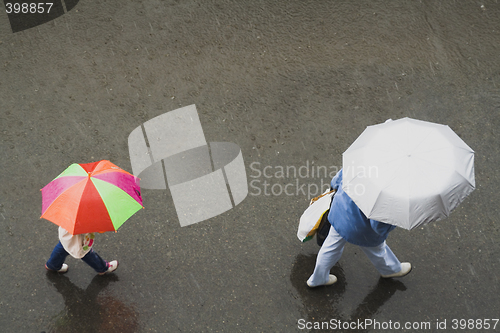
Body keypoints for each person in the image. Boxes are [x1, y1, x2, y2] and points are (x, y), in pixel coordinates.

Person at [307, 169, 411, 287]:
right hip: (361, 228)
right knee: (378, 250)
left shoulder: (362, 163)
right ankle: (391, 270)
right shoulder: (387, 191)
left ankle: (317, 279)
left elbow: (336, 181)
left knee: (330, 247)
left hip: (339, 211)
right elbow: (379, 227)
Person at [45, 226, 118, 275]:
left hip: (66, 232)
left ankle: (53, 265)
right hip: (80, 239)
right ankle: (102, 268)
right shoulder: (89, 212)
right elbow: (100, 229)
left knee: (63, 246)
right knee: (86, 253)